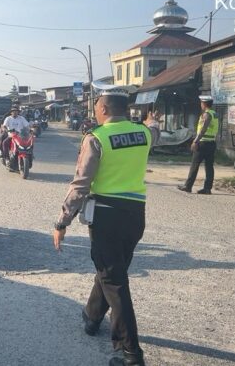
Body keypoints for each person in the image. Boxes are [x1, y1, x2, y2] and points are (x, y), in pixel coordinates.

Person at [53, 82, 151, 366]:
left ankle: (130, 353)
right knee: (111, 271)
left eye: (96, 106)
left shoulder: (97, 138)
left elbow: (81, 185)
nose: (94, 111)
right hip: (136, 215)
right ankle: (92, 317)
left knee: (114, 281)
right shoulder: (144, 133)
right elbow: (152, 132)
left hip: (107, 216)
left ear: (104, 108)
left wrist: (62, 221)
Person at [178, 95, 218, 194]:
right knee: (209, 166)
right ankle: (207, 188)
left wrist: (195, 141)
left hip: (202, 143)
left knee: (195, 165)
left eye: (201, 103)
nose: (200, 104)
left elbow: (203, 129)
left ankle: (188, 186)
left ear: (204, 104)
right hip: (212, 143)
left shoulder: (206, 114)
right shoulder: (215, 114)